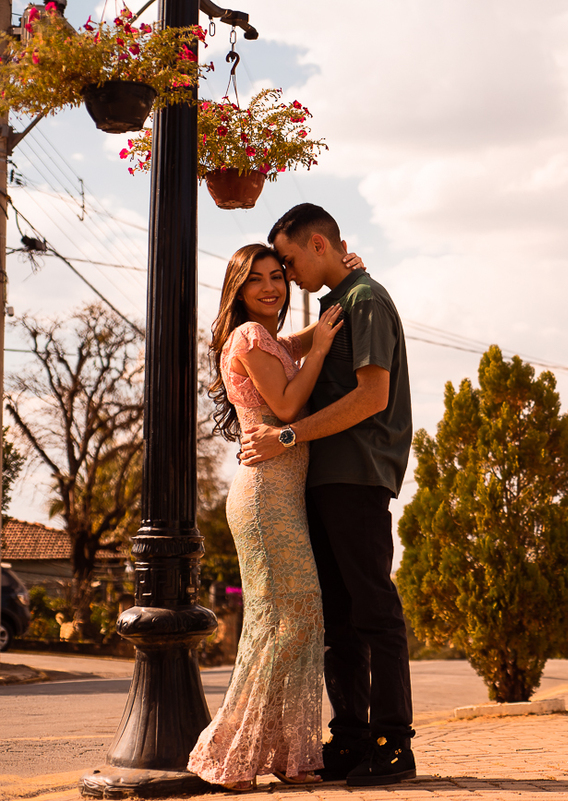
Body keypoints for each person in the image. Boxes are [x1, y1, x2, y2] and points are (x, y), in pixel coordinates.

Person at [238, 203, 417, 787]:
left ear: (319, 245)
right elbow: (279, 351)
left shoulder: (366, 300)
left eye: (287, 262)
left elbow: (370, 398)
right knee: (336, 617)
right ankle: (351, 738)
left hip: (358, 473)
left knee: (373, 611)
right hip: (319, 476)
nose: (285, 276)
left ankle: (394, 743)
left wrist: (287, 433)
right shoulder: (336, 303)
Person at [188, 243, 347, 791]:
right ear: (237, 287)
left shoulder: (268, 339)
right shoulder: (250, 336)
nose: (271, 287)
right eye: (256, 279)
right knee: (283, 621)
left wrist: (337, 299)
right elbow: (283, 407)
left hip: (282, 493)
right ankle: (229, 751)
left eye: (277, 276)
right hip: (263, 497)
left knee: (297, 618)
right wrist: (322, 349)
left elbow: (294, 344)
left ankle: (283, 752)